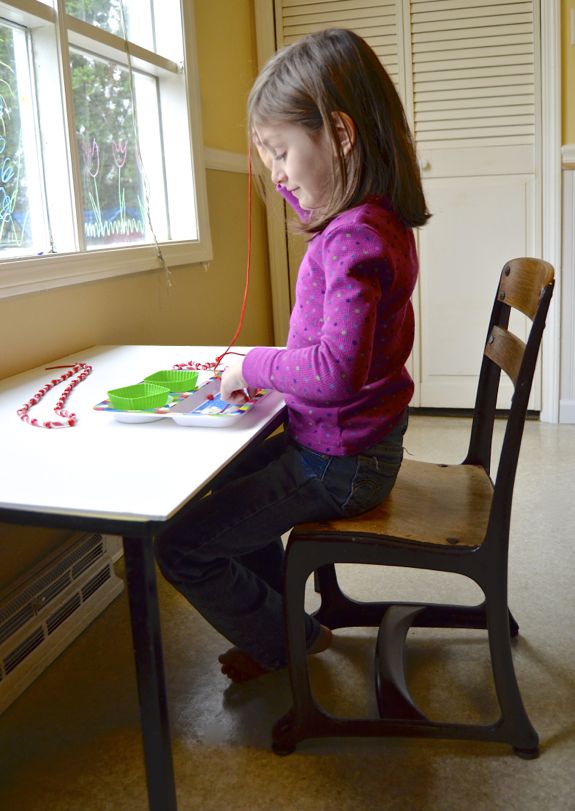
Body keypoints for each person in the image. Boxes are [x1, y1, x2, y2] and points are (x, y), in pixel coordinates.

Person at [155, 28, 430, 683]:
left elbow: (334, 373)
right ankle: (282, 616)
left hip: (342, 461)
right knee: (230, 477)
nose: (274, 174)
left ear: (339, 133)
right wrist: (275, 368)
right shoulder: (374, 223)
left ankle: (286, 638)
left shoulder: (349, 242)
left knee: (182, 545)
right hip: (352, 443)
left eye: (279, 151)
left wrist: (253, 365)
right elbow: (332, 355)